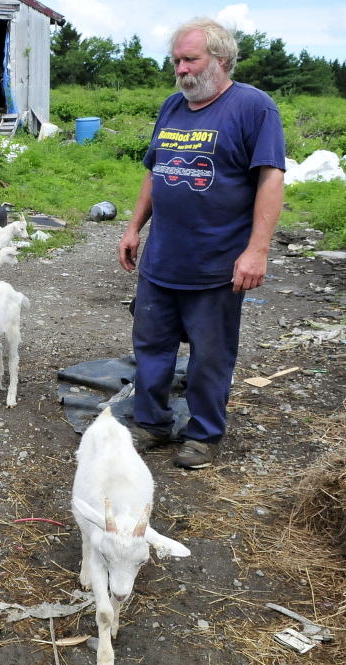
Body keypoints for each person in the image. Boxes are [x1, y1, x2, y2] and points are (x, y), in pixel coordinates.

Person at [117, 17, 286, 469]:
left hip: (216, 264)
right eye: (176, 61)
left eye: (190, 59)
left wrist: (257, 250)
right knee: (151, 346)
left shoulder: (254, 108)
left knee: (211, 355)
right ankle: (152, 424)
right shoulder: (172, 107)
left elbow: (271, 178)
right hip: (162, 259)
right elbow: (154, 172)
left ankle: (205, 435)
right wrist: (134, 227)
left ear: (222, 59)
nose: (181, 70)